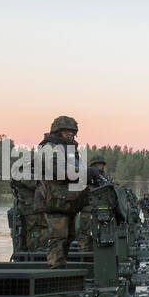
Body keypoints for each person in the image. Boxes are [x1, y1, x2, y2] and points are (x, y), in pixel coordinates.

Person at [33, 115, 87, 268]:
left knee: (69, 236)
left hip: (67, 201)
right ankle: (55, 269)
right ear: (58, 131)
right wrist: (83, 173)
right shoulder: (49, 147)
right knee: (58, 237)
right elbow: (55, 169)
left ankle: (60, 265)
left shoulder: (70, 150)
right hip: (54, 201)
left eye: (72, 131)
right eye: (66, 131)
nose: (70, 134)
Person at [76, 154, 109, 252]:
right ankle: (83, 250)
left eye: (102, 164)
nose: (101, 166)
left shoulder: (103, 177)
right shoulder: (87, 175)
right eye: (98, 164)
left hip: (100, 209)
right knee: (85, 229)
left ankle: (97, 250)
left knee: (100, 230)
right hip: (87, 207)